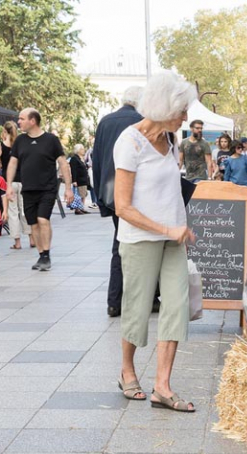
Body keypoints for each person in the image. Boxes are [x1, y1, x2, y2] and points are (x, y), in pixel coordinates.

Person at [113, 70, 197, 412]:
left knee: (176, 307)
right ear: (164, 108)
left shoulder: (170, 139)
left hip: (174, 237)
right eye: (182, 111)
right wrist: (166, 229)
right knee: (137, 306)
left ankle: (162, 386)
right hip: (140, 239)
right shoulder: (129, 141)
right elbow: (123, 207)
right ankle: (127, 371)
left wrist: (177, 226)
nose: (186, 117)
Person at [92, 86, 144, 318]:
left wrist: (100, 196)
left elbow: (97, 158)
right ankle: (147, 298)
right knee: (143, 243)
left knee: (120, 243)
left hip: (111, 192)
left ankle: (115, 301)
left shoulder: (105, 122)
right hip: (137, 190)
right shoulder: (143, 121)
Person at [5, 107, 74, 271]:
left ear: (32, 121)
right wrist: (8, 186)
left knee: (43, 220)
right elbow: (13, 163)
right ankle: (41, 254)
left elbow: (63, 163)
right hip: (27, 188)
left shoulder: (51, 140)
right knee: (33, 224)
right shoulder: (20, 141)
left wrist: (68, 188)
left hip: (47, 188)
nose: (18, 122)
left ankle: (46, 254)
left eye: (21, 118)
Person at [0, 121, 33, 249]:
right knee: (25, 210)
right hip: (23, 180)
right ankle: (31, 238)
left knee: (12, 212)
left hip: (9, 181)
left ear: (4, 131)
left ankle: (17, 242)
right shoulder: (21, 144)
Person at [67, 144, 90, 215]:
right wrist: (74, 181)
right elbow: (73, 170)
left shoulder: (81, 158)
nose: (83, 151)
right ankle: (77, 209)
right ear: (78, 150)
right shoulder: (74, 158)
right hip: (79, 180)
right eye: (82, 149)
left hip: (84, 180)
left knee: (83, 194)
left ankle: (81, 207)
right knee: (79, 195)